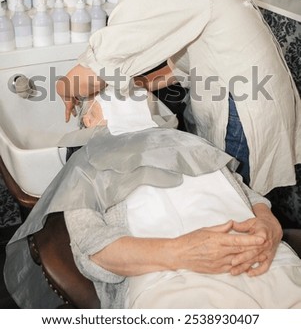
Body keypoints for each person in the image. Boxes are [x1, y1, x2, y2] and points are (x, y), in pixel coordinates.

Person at [56, 0, 300, 197]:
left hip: (245, 106)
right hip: (254, 94)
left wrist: (66, 86)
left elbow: (98, 64)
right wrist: (135, 84)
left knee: (238, 200)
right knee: (235, 198)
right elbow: (178, 65)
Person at [4, 90, 301, 309]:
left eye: (134, 91)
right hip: (174, 280)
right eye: (107, 94)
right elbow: (92, 251)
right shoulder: (86, 165)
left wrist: (268, 223)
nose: (126, 95)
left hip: (265, 260)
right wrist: (181, 252)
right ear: (89, 119)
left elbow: (247, 193)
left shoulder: (191, 142)